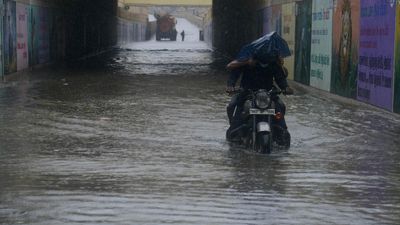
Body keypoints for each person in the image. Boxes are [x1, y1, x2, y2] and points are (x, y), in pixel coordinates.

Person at [226, 54, 293, 132]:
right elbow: (234, 74)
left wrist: (285, 87)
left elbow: (280, 78)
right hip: (247, 93)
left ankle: (282, 131)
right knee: (232, 105)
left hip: (268, 94)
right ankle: (233, 128)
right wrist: (230, 85)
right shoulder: (246, 61)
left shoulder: (273, 63)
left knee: (281, 106)